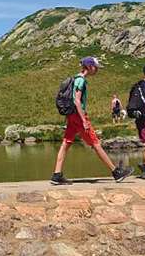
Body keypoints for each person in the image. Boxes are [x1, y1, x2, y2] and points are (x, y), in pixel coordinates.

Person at [51, 57, 132, 185]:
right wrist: (83, 120)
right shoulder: (80, 81)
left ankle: (57, 174)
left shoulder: (75, 79)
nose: (97, 69)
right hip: (79, 116)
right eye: (96, 67)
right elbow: (77, 101)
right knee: (95, 143)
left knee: (66, 143)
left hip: (71, 116)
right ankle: (116, 172)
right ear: (89, 67)